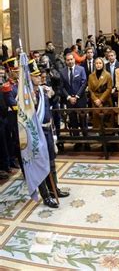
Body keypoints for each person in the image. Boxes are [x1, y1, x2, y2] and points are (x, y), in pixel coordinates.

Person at [31, 70, 70, 208]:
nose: (40, 77)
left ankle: (54, 190)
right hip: (37, 132)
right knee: (41, 164)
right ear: (29, 77)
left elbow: (53, 102)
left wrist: (55, 88)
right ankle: (46, 196)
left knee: (51, 162)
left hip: (48, 129)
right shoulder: (27, 95)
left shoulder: (43, 90)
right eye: (36, 75)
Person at [60, 53, 89, 151]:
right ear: (65, 61)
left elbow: (84, 83)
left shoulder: (81, 69)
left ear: (74, 60)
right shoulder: (62, 72)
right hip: (69, 100)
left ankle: (86, 141)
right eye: (68, 60)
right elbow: (62, 86)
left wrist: (77, 96)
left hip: (80, 99)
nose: (70, 61)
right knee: (73, 121)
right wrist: (68, 97)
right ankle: (77, 141)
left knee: (83, 120)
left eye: (71, 59)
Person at [88, 57, 113, 129]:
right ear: (94, 64)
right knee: (97, 119)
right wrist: (96, 100)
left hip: (105, 99)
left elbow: (109, 88)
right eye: (96, 63)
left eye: (100, 63)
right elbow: (90, 89)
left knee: (107, 118)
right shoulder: (91, 76)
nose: (98, 65)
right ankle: (98, 133)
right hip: (95, 100)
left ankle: (108, 133)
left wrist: (101, 100)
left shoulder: (107, 75)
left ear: (103, 64)